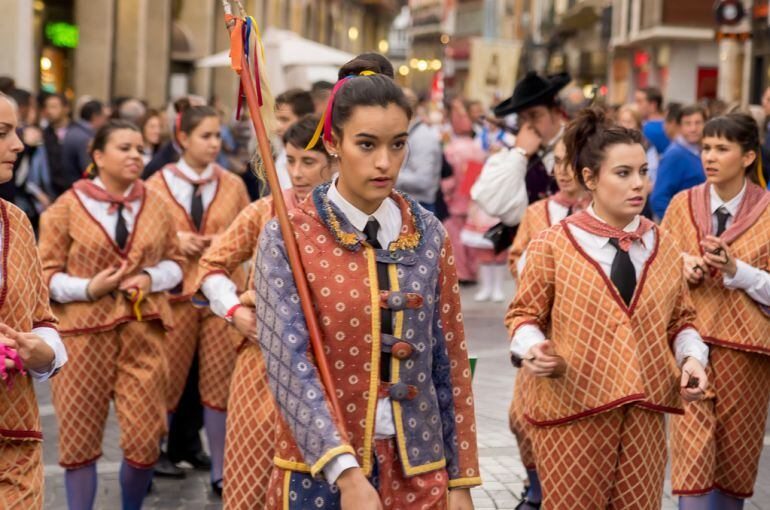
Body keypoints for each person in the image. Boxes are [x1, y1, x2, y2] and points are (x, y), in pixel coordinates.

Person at [254, 55, 480, 510]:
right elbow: (288, 365)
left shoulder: (428, 231)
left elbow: (449, 360)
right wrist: (346, 473)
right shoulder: (288, 233)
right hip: (323, 471)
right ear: (334, 143)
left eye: (398, 145)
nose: (385, 162)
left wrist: (461, 480)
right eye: (366, 144)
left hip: (420, 466)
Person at [507, 107, 709, 509]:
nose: (638, 184)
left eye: (642, 172)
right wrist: (531, 347)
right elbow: (524, 314)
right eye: (623, 173)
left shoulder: (664, 244)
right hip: (573, 410)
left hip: (645, 413)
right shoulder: (552, 243)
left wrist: (692, 358)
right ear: (590, 179)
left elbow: (681, 320)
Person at [39, 119, 183, 510]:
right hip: (82, 338)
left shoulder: (157, 203)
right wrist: (89, 288)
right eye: (125, 148)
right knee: (79, 442)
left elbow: (178, 263)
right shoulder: (65, 208)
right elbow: (46, 277)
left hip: (143, 332)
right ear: (98, 156)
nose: (136, 155)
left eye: (140, 148)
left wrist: (150, 277)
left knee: (144, 443)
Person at [197, 114, 332, 509]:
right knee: (250, 481)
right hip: (261, 368)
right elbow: (212, 265)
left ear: (334, 160)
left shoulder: (351, 220)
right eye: (289, 161)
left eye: (308, 161)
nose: (296, 172)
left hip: (325, 368)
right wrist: (235, 310)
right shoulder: (265, 210)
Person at [662, 112, 770, 510]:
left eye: (722, 148)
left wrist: (735, 270)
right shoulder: (680, 205)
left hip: (749, 356)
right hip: (690, 350)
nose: (709, 156)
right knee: (690, 461)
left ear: (747, 157)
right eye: (706, 147)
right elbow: (659, 269)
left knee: (733, 466)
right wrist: (681, 266)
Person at [145, 105, 250, 496]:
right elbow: (143, 240)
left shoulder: (234, 184)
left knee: (219, 384)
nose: (214, 143)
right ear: (183, 138)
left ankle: (222, 470)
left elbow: (248, 235)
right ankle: (152, 456)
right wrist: (176, 241)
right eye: (205, 135)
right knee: (166, 379)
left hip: (221, 298)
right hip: (173, 298)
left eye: (216, 135)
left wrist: (224, 245)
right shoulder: (157, 183)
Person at [505, 136, 589, 509]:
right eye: (556, 161)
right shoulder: (537, 212)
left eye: (569, 161)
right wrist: (537, 264)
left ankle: (556, 490)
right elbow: (516, 256)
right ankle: (536, 485)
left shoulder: (599, 213)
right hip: (539, 325)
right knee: (520, 415)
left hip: (580, 331)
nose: (562, 170)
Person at [0, 92, 67, 509]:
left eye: (17, 130)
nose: (19, 144)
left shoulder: (18, 222)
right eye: (2, 133)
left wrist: (44, 354)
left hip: (15, 443)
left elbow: (43, 319)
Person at [471, 72, 570, 229]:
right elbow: (493, 204)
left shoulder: (580, 149)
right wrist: (520, 154)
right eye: (521, 119)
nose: (527, 126)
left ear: (556, 113)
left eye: (534, 116)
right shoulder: (508, 155)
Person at [650, 104, 707, 219]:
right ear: (680, 126)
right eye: (688, 123)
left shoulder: (700, 151)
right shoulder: (675, 154)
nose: (693, 128)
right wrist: (680, 224)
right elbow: (658, 199)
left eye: (698, 123)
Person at [395, 88, 443, 212]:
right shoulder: (411, 133)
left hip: (419, 207)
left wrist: (389, 175)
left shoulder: (424, 137)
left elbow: (423, 181)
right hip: (407, 203)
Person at [272, 89, 315, 190]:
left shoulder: (326, 152)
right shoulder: (281, 158)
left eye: (284, 119)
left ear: (305, 119)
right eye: (276, 119)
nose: (277, 127)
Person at [61, 100, 108, 190]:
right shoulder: (85, 138)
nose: (105, 122)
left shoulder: (74, 130)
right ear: (95, 117)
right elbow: (89, 170)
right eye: (104, 117)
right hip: (79, 188)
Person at [635, 87, 670, 156]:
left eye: (639, 101)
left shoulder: (649, 128)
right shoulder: (666, 124)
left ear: (653, 105)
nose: (636, 105)